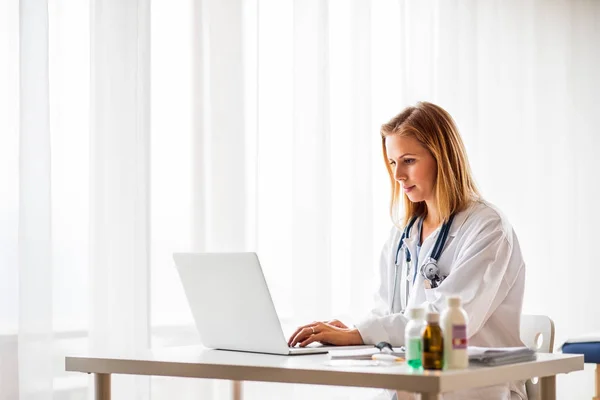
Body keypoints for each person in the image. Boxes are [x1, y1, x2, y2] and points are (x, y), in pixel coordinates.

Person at [287, 102, 527, 399]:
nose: (398, 174)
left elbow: (451, 321)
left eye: (409, 160)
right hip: (410, 387)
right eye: (392, 162)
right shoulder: (405, 234)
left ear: (443, 158)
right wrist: (353, 332)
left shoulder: (487, 228)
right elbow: (386, 312)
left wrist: (362, 333)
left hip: (475, 390)